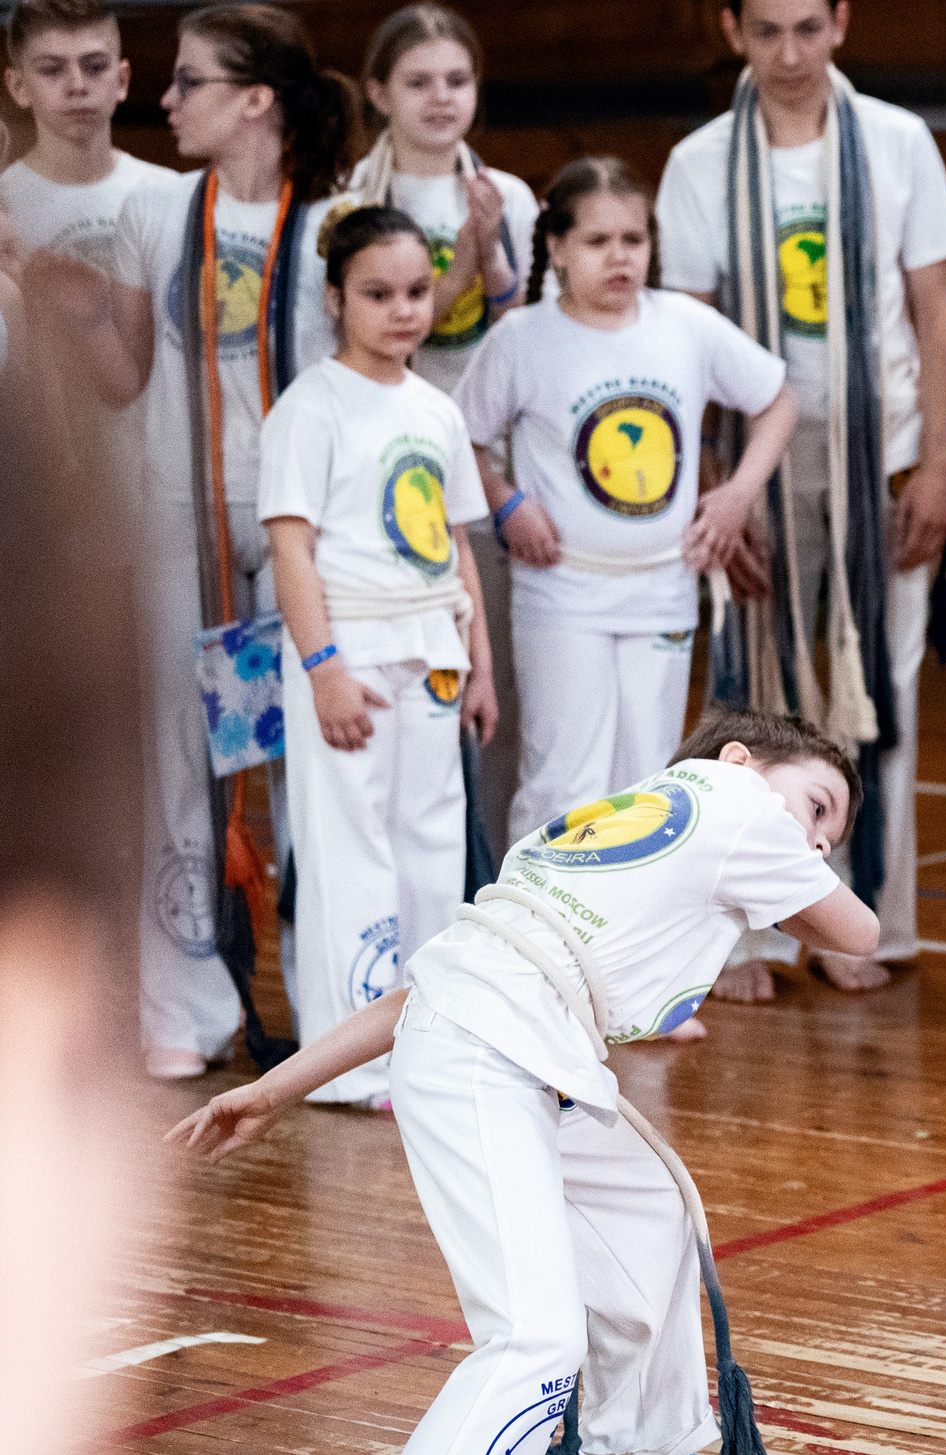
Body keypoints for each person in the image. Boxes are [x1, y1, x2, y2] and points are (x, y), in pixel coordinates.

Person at [167, 707, 880, 1455]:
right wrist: (805, 874)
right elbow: (860, 932)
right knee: (535, 1337)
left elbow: (424, 988)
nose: (813, 838)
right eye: (817, 807)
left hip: (501, 1043)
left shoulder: (603, 831)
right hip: (492, 1056)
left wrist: (271, 1089)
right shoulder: (735, 808)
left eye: (829, 833)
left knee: (649, 1210)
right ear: (736, 760)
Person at [29, 2, 359, 1082]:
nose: (163, 101)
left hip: (310, 525)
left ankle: (335, 1006)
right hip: (184, 509)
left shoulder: (333, 221)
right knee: (184, 764)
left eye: (190, 82)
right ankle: (192, 1006)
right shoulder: (159, 214)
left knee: (316, 765)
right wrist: (50, 290)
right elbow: (127, 373)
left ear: (255, 99)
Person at [654, 0, 946, 1000]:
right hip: (757, 464)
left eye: (807, 27)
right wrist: (718, 493)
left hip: (884, 454)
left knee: (879, 694)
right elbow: (684, 343)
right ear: (730, 30)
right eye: (766, 32)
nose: (788, 54)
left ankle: (860, 922)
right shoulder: (701, 161)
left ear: (841, 22)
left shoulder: (898, 140)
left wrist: (940, 469)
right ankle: (740, 937)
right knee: (754, 706)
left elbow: (936, 311)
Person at [452, 158, 798, 862]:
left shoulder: (687, 326)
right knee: (562, 783)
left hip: (663, 587)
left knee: (649, 783)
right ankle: (535, 948)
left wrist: (735, 495)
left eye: (633, 241)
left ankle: (626, 959)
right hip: (563, 590)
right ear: (556, 247)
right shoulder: (523, 338)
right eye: (597, 241)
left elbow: (778, 400)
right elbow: (460, 435)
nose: (620, 258)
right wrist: (507, 501)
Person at [261, 205, 498, 1106]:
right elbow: (291, 547)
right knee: (347, 850)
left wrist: (480, 663)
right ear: (335, 298)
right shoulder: (310, 407)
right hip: (348, 647)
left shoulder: (436, 409)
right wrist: (324, 669)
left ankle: (425, 1037)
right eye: (378, 293)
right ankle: (348, 1061)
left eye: (415, 291)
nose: (402, 309)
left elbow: (456, 546)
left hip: (430, 642)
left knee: (430, 848)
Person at [346, 2, 540, 844]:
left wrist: (494, 253)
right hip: (381, 478)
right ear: (378, 93)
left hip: (479, 470)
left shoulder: (512, 196)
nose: (440, 98)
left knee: (490, 683)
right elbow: (376, 335)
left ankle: (488, 863)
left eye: (457, 81)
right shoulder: (346, 201)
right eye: (418, 82)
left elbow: (521, 337)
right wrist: (460, 258)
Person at [0, 0, 177, 278]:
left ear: (122, 80)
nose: (77, 86)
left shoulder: (171, 195)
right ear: (18, 86)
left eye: (94, 67)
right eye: (51, 69)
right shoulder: (4, 204)